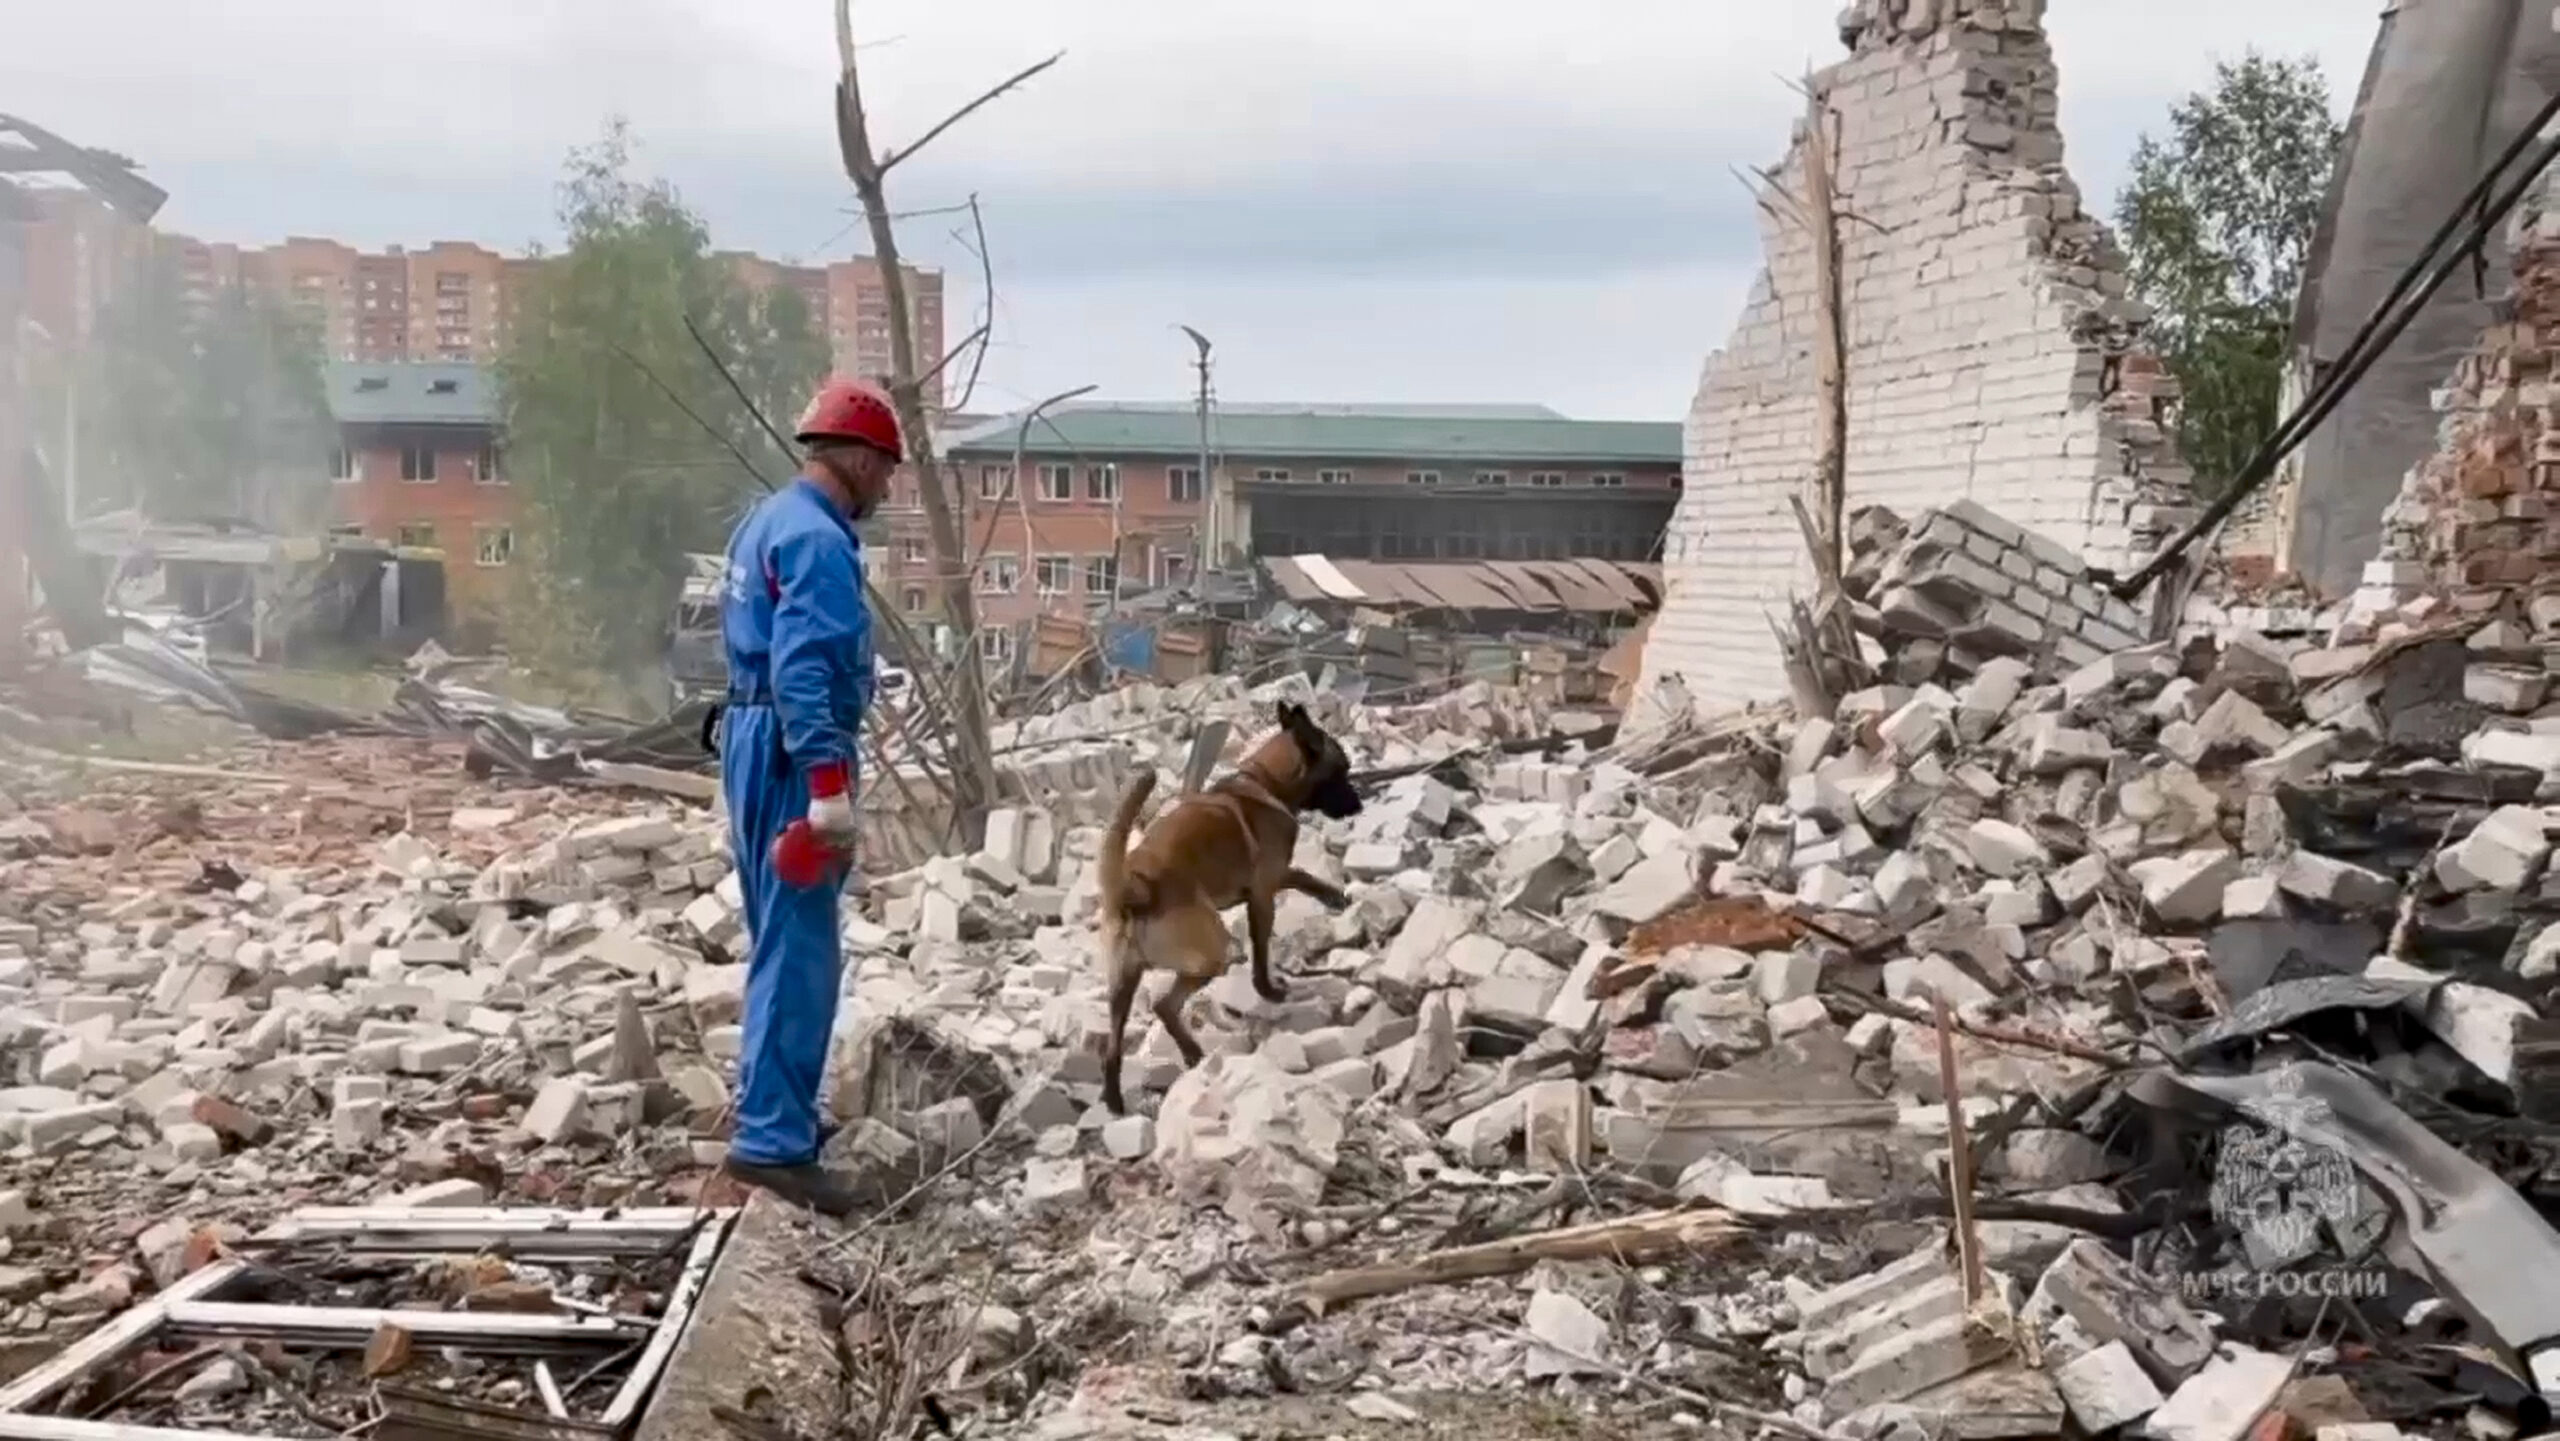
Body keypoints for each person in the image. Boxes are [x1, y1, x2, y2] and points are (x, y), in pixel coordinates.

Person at [716, 376, 901, 1214]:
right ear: (859, 459)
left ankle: (774, 1112)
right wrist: (828, 787)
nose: (888, 488)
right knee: (801, 951)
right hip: (794, 754)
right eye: (887, 471)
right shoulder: (822, 543)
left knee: (775, 939)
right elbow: (804, 665)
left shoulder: (765, 520)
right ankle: (773, 1144)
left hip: (750, 741)